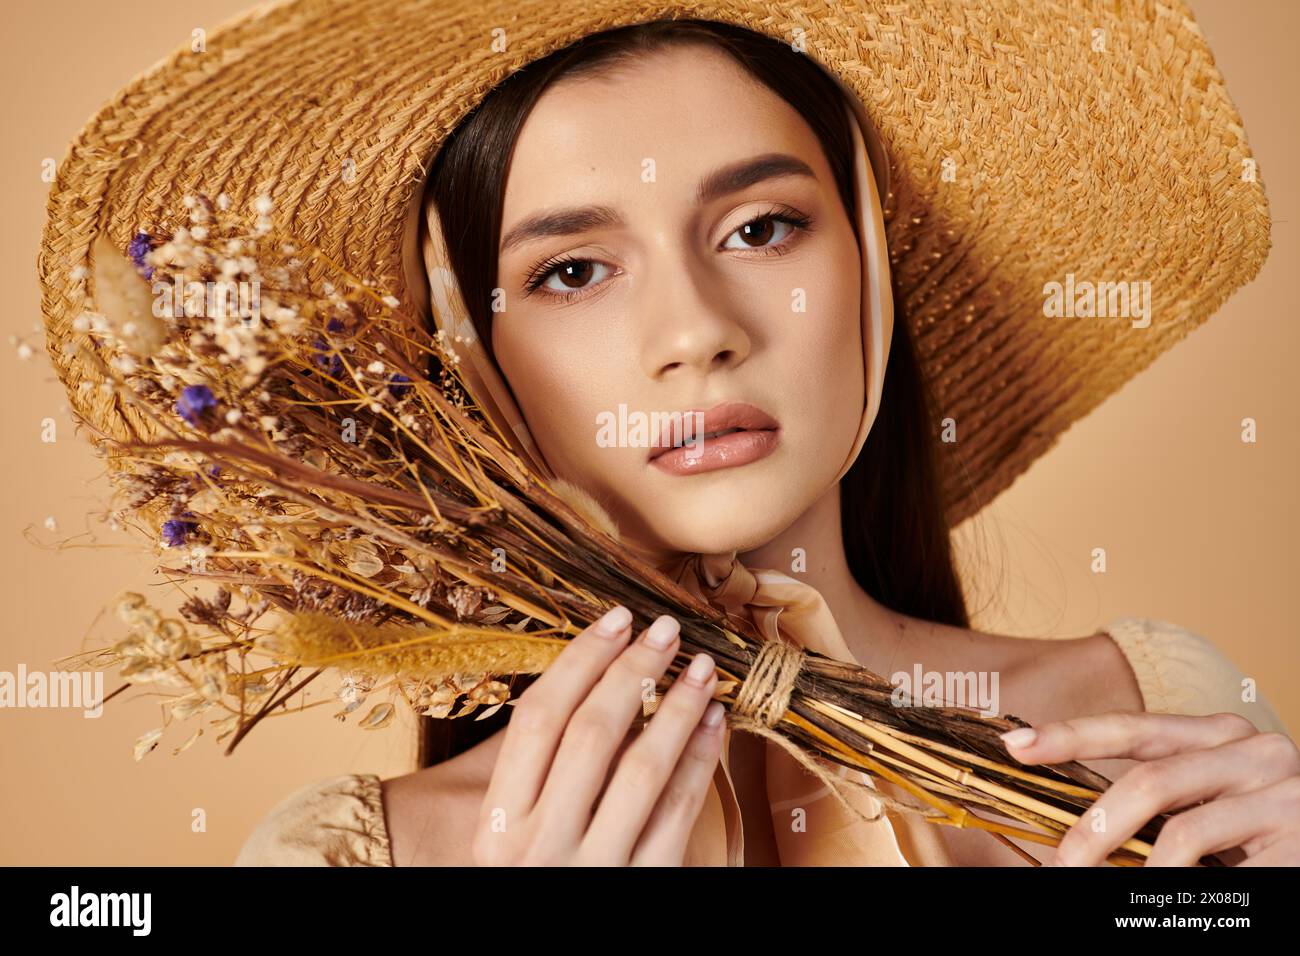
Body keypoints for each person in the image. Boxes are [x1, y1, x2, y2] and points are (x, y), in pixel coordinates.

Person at [224, 18, 1295, 867]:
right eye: (573, 271)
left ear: (870, 270)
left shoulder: (1159, 723)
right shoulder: (365, 855)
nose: (696, 332)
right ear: (470, 356)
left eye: (761, 227)